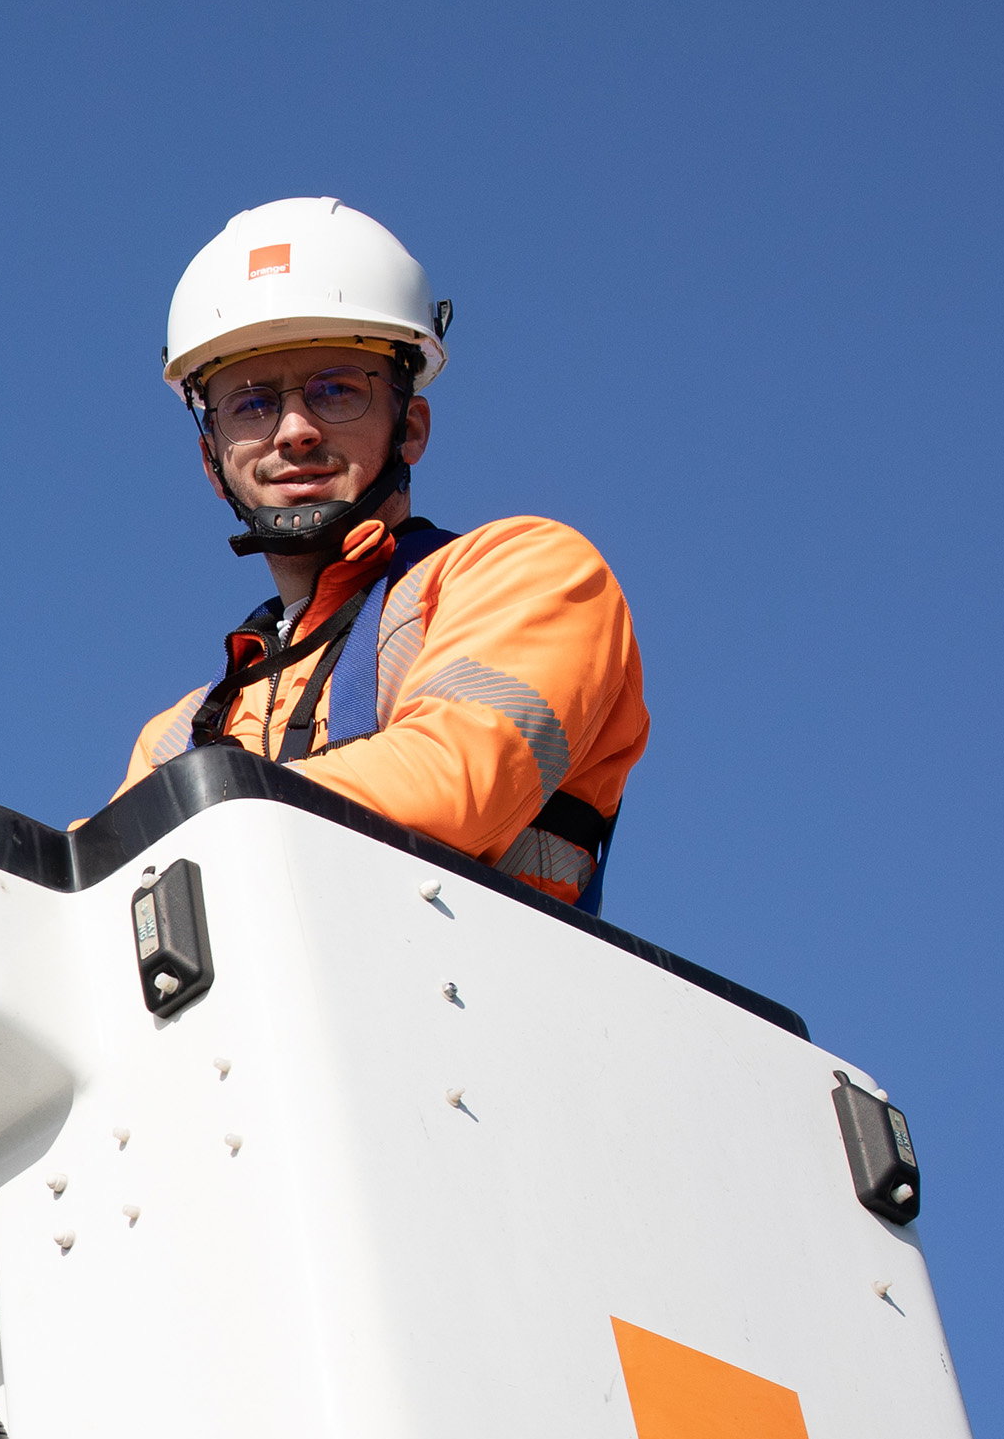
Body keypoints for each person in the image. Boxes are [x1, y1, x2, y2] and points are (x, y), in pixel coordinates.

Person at [114, 199, 642, 913]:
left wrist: (208, 805)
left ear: (411, 427)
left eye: (336, 390)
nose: (295, 429)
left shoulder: (530, 574)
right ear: (213, 464)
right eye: (250, 402)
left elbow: (457, 780)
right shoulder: (177, 736)